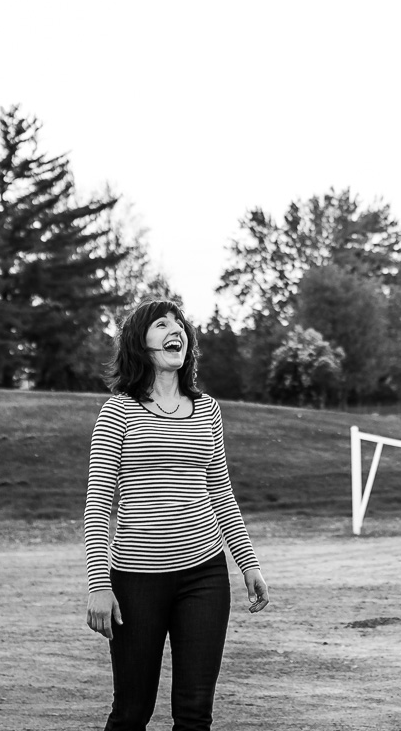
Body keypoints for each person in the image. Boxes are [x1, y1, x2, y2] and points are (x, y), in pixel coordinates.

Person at [84, 298, 269, 731]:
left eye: (180, 324)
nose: (177, 330)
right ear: (138, 342)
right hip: (136, 583)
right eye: (162, 324)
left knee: (194, 714)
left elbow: (221, 494)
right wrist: (98, 586)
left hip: (203, 578)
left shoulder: (207, 409)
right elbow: (98, 504)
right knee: (132, 713)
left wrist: (248, 563)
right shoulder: (119, 411)